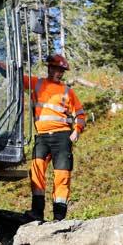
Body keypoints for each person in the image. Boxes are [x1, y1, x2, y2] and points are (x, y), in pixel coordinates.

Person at [25, 53, 86, 222]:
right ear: (49, 68)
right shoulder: (36, 83)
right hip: (42, 137)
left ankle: (59, 217)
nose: (58, 73)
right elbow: (13, 74)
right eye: (56, 69)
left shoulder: (67, 91)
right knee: (37, 172)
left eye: (61, 71)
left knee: (62, 176)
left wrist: (76, 131)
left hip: (62, 137)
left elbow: (80, 114)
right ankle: (37, 212)